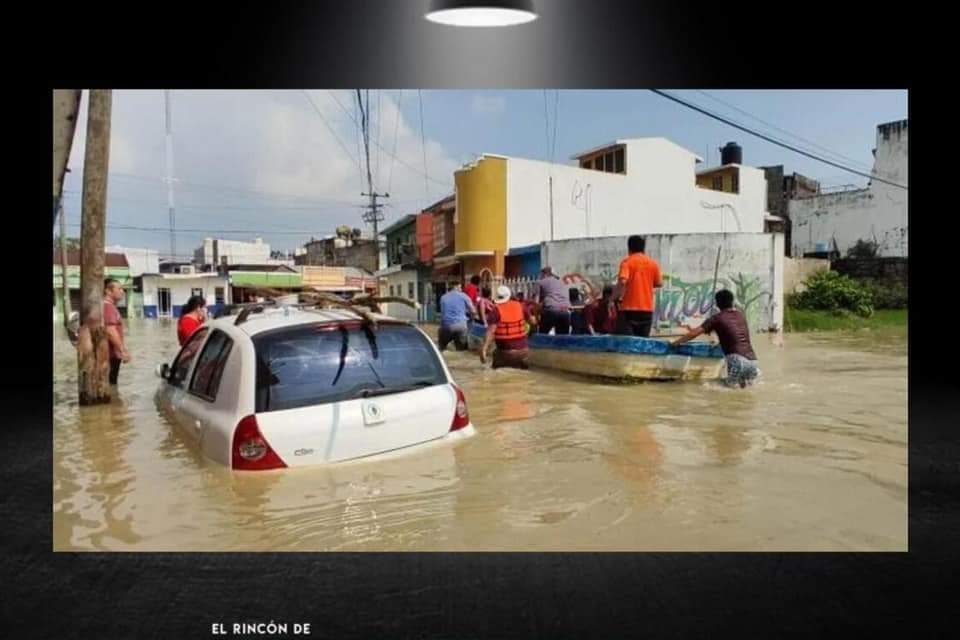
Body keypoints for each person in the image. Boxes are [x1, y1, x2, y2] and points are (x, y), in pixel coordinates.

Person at [673, 289, 760, 388]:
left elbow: (694, 333)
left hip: (737, 360)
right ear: (732, 302)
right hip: (753, 362)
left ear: (717, 304)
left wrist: (676, 343)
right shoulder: (741, 316)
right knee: (744, 391)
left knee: (721, 389)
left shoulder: (716, 318)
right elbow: (732, 334)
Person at [613, 235, 663, 337]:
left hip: (628, 310)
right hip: (647, 311)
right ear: (643, 248)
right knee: (643, 344)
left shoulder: (627, 262)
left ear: (629, 248)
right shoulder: (653, 263)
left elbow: (622, 281)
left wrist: (613, 298)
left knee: (626, 343)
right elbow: (659, 283)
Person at [480, 285, 534, 370]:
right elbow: (533, 321)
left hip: (505, 353)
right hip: (524, 352)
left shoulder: (496, 310)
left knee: (495, 357)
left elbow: (490, 332)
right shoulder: (521, 306)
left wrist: (483, 349)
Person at [103, 279, 131, 385]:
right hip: (110, 356)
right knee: (110, 385)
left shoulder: (110, 307)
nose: (122, 291)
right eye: (119, 289)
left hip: (112, 355)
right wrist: (122, 350)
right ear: (108, 291)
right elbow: (110, 330)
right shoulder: (107, 307)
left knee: (112, 386)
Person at [438, 283, 477, 351]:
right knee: (461, 350)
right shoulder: (464, 296)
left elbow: (443, 312)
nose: (461, 289)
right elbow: (473, 311)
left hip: (446, 326)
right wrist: (472, 318)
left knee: (441, 348)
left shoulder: (443, 297)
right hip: (461, 325)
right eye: (460, 287)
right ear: (456, 287)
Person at [535, 267, 571, 335]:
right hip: (565, 312)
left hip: (551, 311)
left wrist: (537, 317)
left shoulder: (540, 282)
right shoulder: (562, 282)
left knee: (543, 336)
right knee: (563, 338)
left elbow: (536, 302)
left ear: (544, 274)